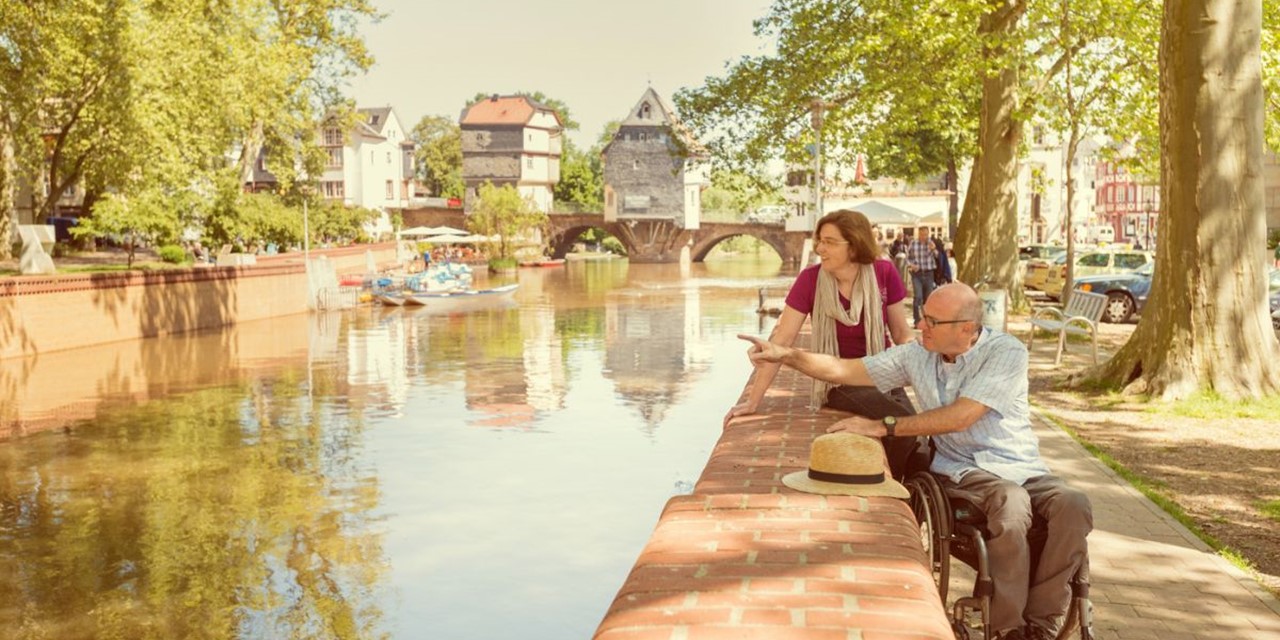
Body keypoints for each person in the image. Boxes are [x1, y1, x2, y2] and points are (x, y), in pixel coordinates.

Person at [738, 282, 1093, 640]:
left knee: (1073, 503)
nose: (919, 326)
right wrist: (787, 356)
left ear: (966, 329)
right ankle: (1008, 629)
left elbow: (961, 416)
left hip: (1022, 465)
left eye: (931, 321)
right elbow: (844, 370)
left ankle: (1042, 624)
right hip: (965, 470)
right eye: (922, 316)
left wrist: (885, 426)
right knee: (1011, 502)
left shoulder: (1006, 353)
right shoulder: (916, 354)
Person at [724, 210, 918, 470]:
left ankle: (911, 490)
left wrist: (925, 373)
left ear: (854, 244)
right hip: (838, 379)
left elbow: (901, 335)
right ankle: (891, 486)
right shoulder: (811, 279)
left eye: (829, 242)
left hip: (883, 373)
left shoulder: (883, 272)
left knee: (919, 432)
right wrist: (753, 401)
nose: (819, 248)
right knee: (903, 420)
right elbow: (782, 340)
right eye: (819, 240)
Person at [906, 226, 938, 323]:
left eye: (926, 234)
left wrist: (933, 249)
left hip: (929, 273)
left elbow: (937, 256)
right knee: (918, 297)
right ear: (918, 234)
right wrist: (911, 265)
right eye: (922, 234)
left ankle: (928, 319)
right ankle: (917, 320)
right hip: (917, 274)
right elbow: (908, 258)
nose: (924, 237)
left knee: (928, 298)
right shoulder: (913, 244)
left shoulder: (931, 243)